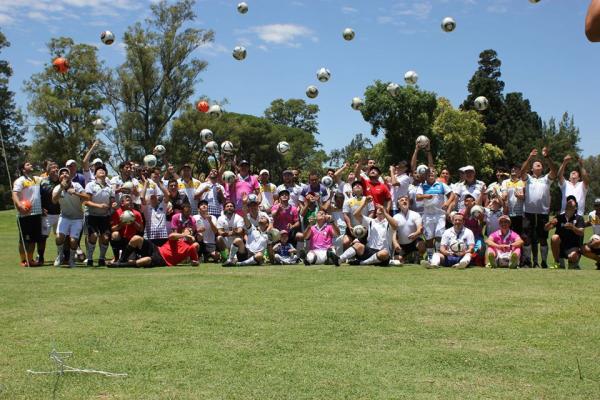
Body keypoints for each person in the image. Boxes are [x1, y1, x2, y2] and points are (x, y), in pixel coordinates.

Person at [520, 147, 558, 268]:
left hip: (543, 213)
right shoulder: (528, 179)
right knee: (527, 238)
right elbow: (521, 171)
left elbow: (554, 171)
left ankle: (543, 262)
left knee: (542, 238)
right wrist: (530, 157)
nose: (538, 165)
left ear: (542, 168)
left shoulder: (546, 179)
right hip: (528, 212)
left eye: (540, 165)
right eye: (536, 164)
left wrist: (547, 157)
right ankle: (528, 262)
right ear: (531, 168)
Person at [52, 167, 91, 267]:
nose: (64, 174)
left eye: (66, 173)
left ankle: (71, 259)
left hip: (77, 218)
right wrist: (61, 188)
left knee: (73, 241)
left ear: (70, 176)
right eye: (62, 173)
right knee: (59, 237)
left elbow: (88, 197)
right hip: (64, 217)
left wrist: (75, 192)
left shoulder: (77, 185)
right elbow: (54, 200)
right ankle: (60, 256)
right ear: (59, 177)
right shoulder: (57, 188)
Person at [416, 169, 454, 261]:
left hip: (440, 214)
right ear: (426, 176)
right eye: (428, 173)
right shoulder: (422, 185)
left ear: (435, 175)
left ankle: (437, 255)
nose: (431, 174)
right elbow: (417, 197)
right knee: (429, 237)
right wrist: (425, 196)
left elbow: (452, 195)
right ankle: (430, 256)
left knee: (439, 235)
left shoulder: (441, 184)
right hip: (428, 215)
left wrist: (447, 203)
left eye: (432, 173)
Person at [109, 229, 199, 268]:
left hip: (163, 260)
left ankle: (120, 265)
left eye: (190, 231)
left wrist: (195, 262)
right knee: (136, 238)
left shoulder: (190, 248)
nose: (188, 231)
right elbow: (171, 235)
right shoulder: (177, 238)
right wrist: (184, 235)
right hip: (157, 249)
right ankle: (121, 260)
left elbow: (196, 260)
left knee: (145, 260)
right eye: (187, 229)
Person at [12, 161, 44, 267]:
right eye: (28, 164)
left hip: (37, 213)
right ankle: (23, 260)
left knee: (34, 239)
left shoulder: (36, 179)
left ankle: (30, 260)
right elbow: (15, 194)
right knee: (24, 240)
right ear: (23, 169)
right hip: (25, 214)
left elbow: (47, 176)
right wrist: (20, 206)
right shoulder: (20, 181)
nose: (31, 165)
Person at [83, 164, 114, 266]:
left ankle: (101, 258)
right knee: (94, 236)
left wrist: (113, 205)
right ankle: (90, 258)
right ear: (95, 175)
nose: (102, 171)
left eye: (104, 170)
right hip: (92, 215)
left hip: (105, 216)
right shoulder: (90, 185)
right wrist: (99, 206)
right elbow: (86, 202)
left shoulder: (110, 188)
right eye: (99, 170)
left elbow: (112, 203)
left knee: (105, 237)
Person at [546, 195, 585, 269]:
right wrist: (550, 223)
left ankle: (573, 263)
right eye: (568, 205)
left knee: (572, 257)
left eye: (571, 205)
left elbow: (581, 232)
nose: (569, 206)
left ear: (575, 207)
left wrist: (573, 227)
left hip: (573, 247)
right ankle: (558, 262)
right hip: (560, 247)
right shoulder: (559, 217)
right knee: (554, 238)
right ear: (565, 206)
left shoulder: (579, 218)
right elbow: (546, 229)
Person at [390, 195, 425, 265]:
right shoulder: (395, 217)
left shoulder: (415, 214)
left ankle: (419, 257)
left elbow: (420, 229)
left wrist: (415, 234)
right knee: (398, 259)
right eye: (402, 200)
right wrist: (395, 243)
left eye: (406, 200)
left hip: (413, 242)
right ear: (398, 205)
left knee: (421, 245)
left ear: (409, 203)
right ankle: (409, 258)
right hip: (401, 244)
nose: (404, 201)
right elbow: (393, 233)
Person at [109, 194, 143, 264]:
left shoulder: (136, 213)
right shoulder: (117, 213)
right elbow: (112, 229)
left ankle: (125, 256)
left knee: (128, 261)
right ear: (122, 203)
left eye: (131, 201)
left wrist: (133, 222)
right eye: (127, 200)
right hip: (121, 239)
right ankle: (116, 258)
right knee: (115, 234)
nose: (130, 202)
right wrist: (121, 224)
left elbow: (141, 229)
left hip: (131, 240)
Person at [39, 162, 61, 265]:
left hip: (61, 214)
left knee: (60, 236)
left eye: (57, 167)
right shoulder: (42, 182)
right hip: (47, 214)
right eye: (53, 168)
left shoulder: (63, 182)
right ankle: (41, 257)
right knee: (43, 237)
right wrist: (41, 208)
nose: (56, 169)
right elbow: (37, 197)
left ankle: (60, 256)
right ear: (48, 171)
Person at [140, 172, 170, 247]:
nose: (152, 196)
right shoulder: (146, 208)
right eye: (151, 196)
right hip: (149, 237)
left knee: (161, 258)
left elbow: (167, 195)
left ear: (157, 197)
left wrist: (158, 182)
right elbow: (142, 197)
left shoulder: (163, 206)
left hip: (163, 237)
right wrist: (146, 184)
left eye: (154, 196)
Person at [501, 165, 525, 236]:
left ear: (520, 171)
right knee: (508, 235)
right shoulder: (505, 182)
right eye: (512, 168)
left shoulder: (523, 182)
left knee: (519, 235)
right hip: (508, 213)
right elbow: (504, 193)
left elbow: (526, 197)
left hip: (521, 214)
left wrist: (522, 197)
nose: (513, 169)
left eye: (516, 168)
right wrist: (504, 196)